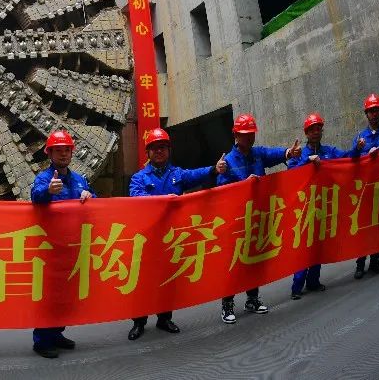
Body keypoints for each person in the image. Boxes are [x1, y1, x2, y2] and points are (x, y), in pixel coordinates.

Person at [127, 127, 227, 339]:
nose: (159, 151)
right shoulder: (139, 177)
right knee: (144, 283)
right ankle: (139, 322)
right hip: (147, 239)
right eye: (155, 148)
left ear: (169, 150)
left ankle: (164, 318)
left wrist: (214, 169)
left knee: (167, 281)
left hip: (171, 238)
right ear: (148, 152)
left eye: (163, 147)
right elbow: (136, 198)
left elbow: (196, 174)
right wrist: (166, 200)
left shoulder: (177, 174)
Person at [216, 113, 300, 324]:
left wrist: (288, 152)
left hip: (256, 218)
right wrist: (245, 184)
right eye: (245, 134)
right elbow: (221, 189)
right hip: (236, 221)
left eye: (252, 134)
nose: (249, 138)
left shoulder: (258, 154)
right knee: (234, 264)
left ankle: (252, 299)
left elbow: (273, 154)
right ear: (236, 135)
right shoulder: (228, 161)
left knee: (254, 260)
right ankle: (227, 304)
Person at [30, 129, 94, 359]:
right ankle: (41, 340)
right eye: (58, 150)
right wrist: (48, 191)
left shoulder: (79, 180)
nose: (64, 154)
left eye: (67, 150)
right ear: (49, 153)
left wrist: (89, 196)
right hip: (50, 250)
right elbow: (35, 196)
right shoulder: (44, 178)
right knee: (49, 296)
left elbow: (95, 202)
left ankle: (56, 333)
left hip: (73, 249)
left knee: (66, 295)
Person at [287, 113, 355, 300]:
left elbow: (346, 157)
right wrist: (307, 162)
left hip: (323, 205)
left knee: (318, 245)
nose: (316, 132)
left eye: (318, 128)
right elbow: (291, 172)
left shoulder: (329, 151)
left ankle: (313, 281)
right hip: (304, 208)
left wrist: (357, 149)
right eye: (312, 129)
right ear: (306, 133)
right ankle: (297, 286)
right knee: (304, 248)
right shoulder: (300, 154)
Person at [350, 93, 379, 279]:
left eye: (376, 110)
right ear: (366, 114)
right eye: (371, 111)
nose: (374, 114)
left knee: (378, 226)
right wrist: (360, 150)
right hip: (365, 189)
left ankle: (375, 260)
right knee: (364, 228)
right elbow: (352, 157)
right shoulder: (360, 136)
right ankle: (360, 263)